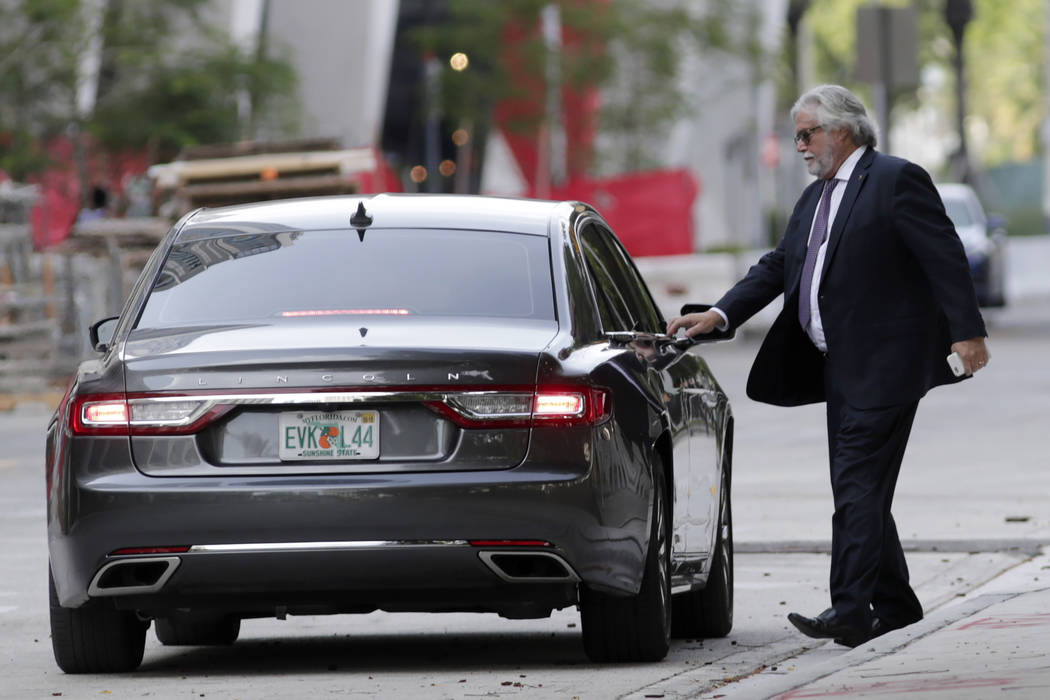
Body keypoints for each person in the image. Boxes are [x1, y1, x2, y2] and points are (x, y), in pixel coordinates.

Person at [667, 84, 990, 647]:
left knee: (856, 483)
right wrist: (719, 314)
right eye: (797, 135)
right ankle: (896, 605)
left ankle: (850, 610)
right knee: (863, 488)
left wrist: (967, 332)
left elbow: (944, 254)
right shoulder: (816, 197)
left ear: (842, 130)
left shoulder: (894, 179)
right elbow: (777, 266)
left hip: (887, 365)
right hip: (837, 368)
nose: (799, 146)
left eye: (806, 133)